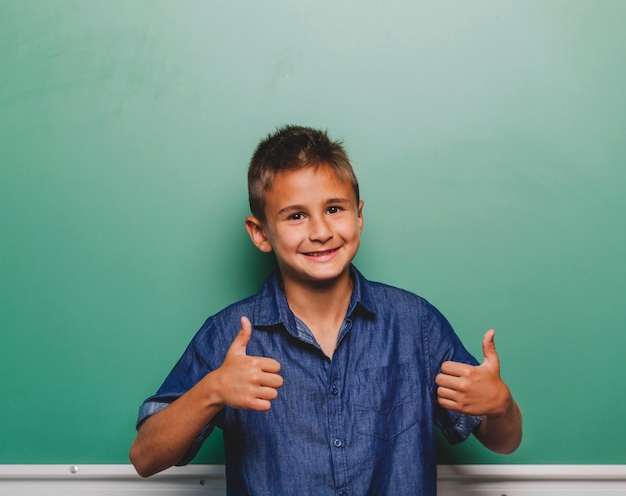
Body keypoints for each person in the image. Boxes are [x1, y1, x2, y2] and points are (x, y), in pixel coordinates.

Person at [129, 125, 522, 495]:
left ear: (359, 215)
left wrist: (501, 405)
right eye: (296, 216)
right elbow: (145, 458)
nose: (320, 231)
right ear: (261, 233)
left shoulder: (414, 323)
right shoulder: (230, 334)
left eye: (334, 209)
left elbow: (504, 441)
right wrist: (212, 391)